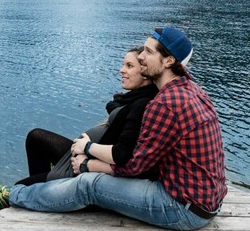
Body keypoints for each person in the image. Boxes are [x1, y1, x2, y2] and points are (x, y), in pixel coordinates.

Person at [0, 26, 226, 231]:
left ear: (169, 60)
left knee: (89, 185)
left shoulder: (165, 104)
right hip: (203, 200)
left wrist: (86, 162)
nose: (140, 57)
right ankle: (30, 198)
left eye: (148, 52)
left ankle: (10, 196)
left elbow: (132, 165)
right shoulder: (191, 89)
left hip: (180, 208)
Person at [17, 46, 158, 186]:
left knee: (20, 187)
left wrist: (87, 149)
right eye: (123, 65)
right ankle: (41, 191)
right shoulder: (134, 98)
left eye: (129, 66)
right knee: (35, 138)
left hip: (88, 164)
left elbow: (122, 154)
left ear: (145, 71)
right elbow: (115, 106)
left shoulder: (141, 104)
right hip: (86, 155)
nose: (122, 70)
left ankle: (41, 190)